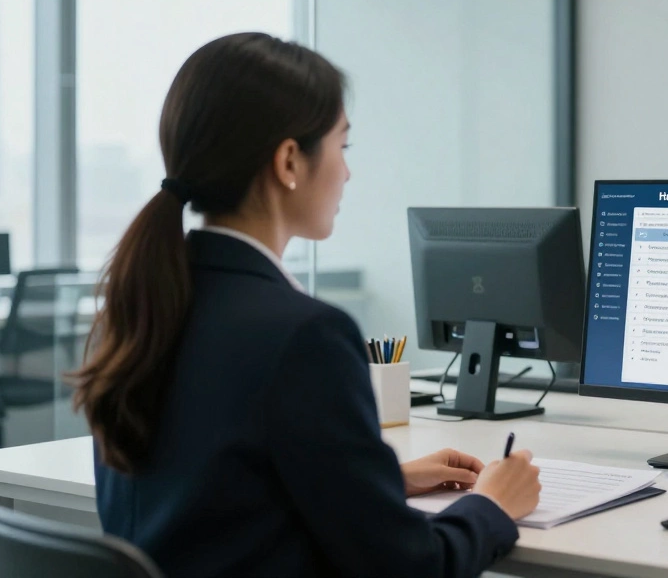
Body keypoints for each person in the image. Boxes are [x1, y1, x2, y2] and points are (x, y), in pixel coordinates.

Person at [72, 33, 541, 578]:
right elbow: (410, 569)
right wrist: (491, 507)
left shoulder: (144, 305)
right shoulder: (304, 335)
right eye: (342, 147)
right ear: (290, 160)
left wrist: (376, 479)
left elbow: (217, 493)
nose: (347, 172)